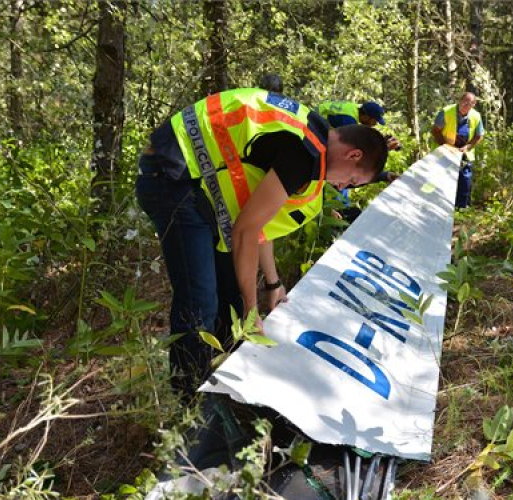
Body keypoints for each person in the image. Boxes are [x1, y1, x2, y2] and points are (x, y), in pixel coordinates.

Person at [136, 88, 388, 398]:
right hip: (172, 175)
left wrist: (272, 283)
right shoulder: (305, 153)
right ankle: (187, 403)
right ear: (353, 155)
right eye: (351, 181)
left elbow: (260, 227)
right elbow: (245, 231)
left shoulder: (310, 135)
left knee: (230, 297)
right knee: (201, 302)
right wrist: (252, 312)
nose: (341, 186)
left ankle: (222, 382)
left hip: (189, 178)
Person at [317, 99, 400, 223]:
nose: (374, 124)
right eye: (374, 121)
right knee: (341, 177)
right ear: (366, 116)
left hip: (321, 135)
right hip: (321, 138)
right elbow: (354, 147)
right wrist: (383, 148)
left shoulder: (355, 109)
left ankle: (338, 209)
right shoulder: (348, 119)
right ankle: (335, 210)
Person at [431, 92, 484, 209]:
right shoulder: (446, 112)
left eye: (470, 103)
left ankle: (462, 209)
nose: (466, 105)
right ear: (460, 101)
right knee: (443, 179)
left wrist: (468, 147)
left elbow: (479, 135)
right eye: (464, 101)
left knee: (465, 180)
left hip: (465, 152)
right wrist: (445, 146)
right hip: (445, 150)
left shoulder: (476, 116)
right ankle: (439, 207)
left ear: (474, 104)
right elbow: (435, 130)